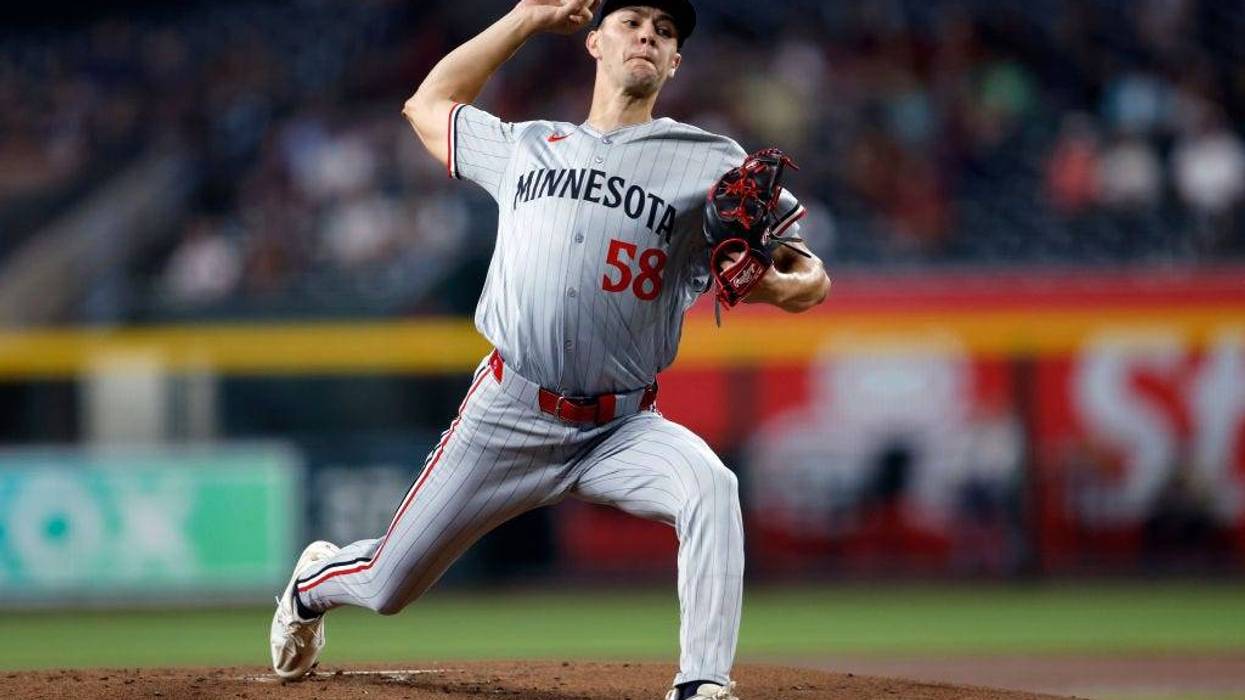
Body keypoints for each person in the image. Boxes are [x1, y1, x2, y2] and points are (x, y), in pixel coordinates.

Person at [269, 2, 831, 698]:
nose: (648, 36)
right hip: (507, 411)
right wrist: (527, 15)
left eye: (665, 30)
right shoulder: (527, 143)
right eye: (632, 21)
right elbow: (427, 103)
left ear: (674, 62)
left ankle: (703, 685)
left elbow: (810, 279)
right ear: (594, 40)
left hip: (620, 428)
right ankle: (310, 586)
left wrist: (766, 278)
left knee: (709, 486)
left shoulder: (711, 161)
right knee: (388, 585)